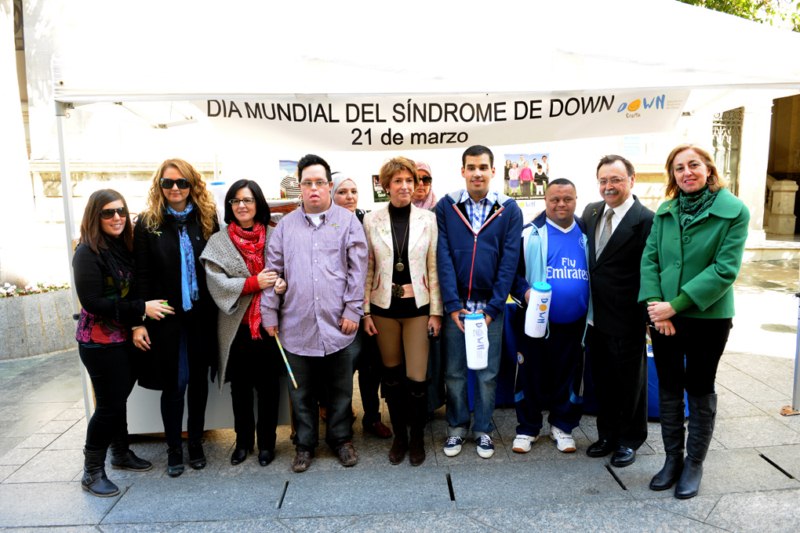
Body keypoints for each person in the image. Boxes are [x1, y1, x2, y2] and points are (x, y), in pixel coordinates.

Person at [640, 144, 749, 499]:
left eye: (694, 165)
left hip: (708, 317)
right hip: (665, 317)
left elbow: (724, 269)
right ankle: (673, 460)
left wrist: (676, 305)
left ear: (709, 169)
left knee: (700, 386)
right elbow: (651, 259)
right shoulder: (666, 211)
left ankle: (695, 464)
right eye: (678, 167)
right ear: (672, 174)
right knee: (669, 386)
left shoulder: (734, 211)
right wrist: (657, 307)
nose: (686, 172)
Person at [261, 154, 368, 473]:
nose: (314, 189)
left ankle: (341, 439)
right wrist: (270, 314)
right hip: (296, 325)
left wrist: (353, 309)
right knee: (301, 392)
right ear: (300, 188)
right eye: (307, 183)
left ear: (329, 186)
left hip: (340, 324)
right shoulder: (284, 228)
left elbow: (357, 269)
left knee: (340, 389)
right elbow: (273, 271)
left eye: (320, 183)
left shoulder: (348, 222)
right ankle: (305, 444)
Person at [72, 189, 170, 497]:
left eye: (121, 211)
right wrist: (140, 310)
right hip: (99, 342)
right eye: (108, 213)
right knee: (109, 405)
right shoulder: (87, 252)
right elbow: (92, 302)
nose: (116, 217)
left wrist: (136, 320)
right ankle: (92, 471)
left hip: (123, 336)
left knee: (118, 398)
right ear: (94, 217)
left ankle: (121, 453)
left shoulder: (122, 245)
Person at [133, 158, 219, 477]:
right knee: (175, 383)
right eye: (167, 183)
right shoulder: (147, 223)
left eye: (181, 182)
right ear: (159, 187)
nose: (174, 189)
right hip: (166, 318)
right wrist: (140, 316)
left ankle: (195, 442)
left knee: (198, 382)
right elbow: (141, 274)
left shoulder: (207, 219)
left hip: (200, 316)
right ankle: (173, 447)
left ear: (192, 185)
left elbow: (216, 268)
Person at [436, 145, 522, 459]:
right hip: (457, 307)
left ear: (492, 171)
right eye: (471, 167)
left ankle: (483, 429)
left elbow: (509, 261)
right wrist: (452, 304)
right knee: (455, 372)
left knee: (487, 373)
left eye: (483, 167)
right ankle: (457, 428)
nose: (477, 173)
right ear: (462, 171)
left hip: (490, 307)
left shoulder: (508, 209)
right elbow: (442, 257)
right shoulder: (447, 206)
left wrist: (494, 307)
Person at [200, 180, 287, 467]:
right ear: (229, 206)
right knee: (240, 388)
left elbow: (292, 270)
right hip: (236, 327)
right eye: (236, 201)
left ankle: (266, 444)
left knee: (269, 388)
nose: (242, 206)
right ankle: (243, 442)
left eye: (248, 200)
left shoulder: (277, 235)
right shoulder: (218, 241)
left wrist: (283, 283)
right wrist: (253, 282)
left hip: (270, 324)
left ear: (258, 204)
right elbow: (217, 283)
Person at [363, 157, 442, 466]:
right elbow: (367, 268)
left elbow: (433, 266)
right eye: (398, 181)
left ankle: (418, 438)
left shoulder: (428, 219)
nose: (406, 186)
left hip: (418, 308)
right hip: (383, 307)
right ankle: (400, 437)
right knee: (392, 378)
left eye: (410, 181)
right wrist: (365, 312)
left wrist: (436, 311)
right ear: (387, 186)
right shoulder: (371, 219)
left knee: (417, 379)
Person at [581, 155, 654, 468]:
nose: (608, 186)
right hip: (595, 316)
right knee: (602, 379)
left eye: (615, 180)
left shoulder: (646, 219)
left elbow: (652, 270)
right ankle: (607, 434)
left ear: (631, 180)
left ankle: (629, 439)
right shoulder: (591, 211)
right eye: (603, 181)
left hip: (627, 316)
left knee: (629, 382)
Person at [510, 179, 590, 454]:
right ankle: (527, 428)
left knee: (567, 375)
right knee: (530, 374)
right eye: (555, 199)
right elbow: (513, 275)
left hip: (575, 322)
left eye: (567, 198)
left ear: (576, 199)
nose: (561, 204)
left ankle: (563, 426)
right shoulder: (528, 233)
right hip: (535, 323)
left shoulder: (587, 233)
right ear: (545, 200)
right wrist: (526, 293)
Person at [331, 172, 392, 440]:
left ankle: (372, 417)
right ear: (332, 195)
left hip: (369, 307)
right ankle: (340, 421)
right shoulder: (326, 223)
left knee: (371, 366)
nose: (349, 197)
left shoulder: (367, 219)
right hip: (336, 310)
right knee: (341, 370)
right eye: (343, 192)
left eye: (353, 191)